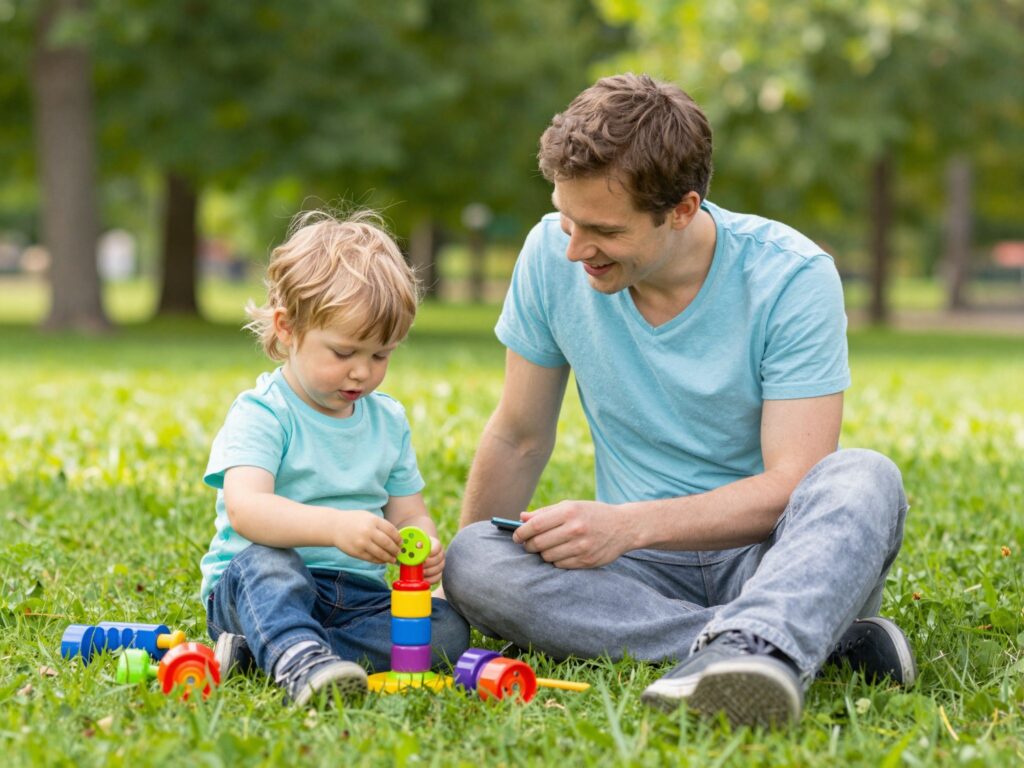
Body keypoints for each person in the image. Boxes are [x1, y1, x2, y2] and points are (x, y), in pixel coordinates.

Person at [442, 74, 915, 727]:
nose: (575, 248)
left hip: (771, 558)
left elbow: (790, 485)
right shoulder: (551, 254)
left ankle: (765, 629)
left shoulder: (792, 277)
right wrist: (455, 593)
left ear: (683, 209)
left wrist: (628, 525)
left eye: (602, 229)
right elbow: (519, 434)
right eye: (566, 217)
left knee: (866, 477)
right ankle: (781, 642)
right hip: (630, 580)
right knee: (474, 557)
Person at [199, 210, 469, 707]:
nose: (362, 372)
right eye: (344, 352)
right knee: (269, 567)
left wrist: (425, 542)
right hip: (258, 583)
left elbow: (409, 510)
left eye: (381, 355)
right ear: (287, 329)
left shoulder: (387, 421)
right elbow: (247, 511)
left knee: (446, 630)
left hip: (355, 598)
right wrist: (335, 528)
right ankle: (297, 660)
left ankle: (271, 650)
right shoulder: (264, 413)